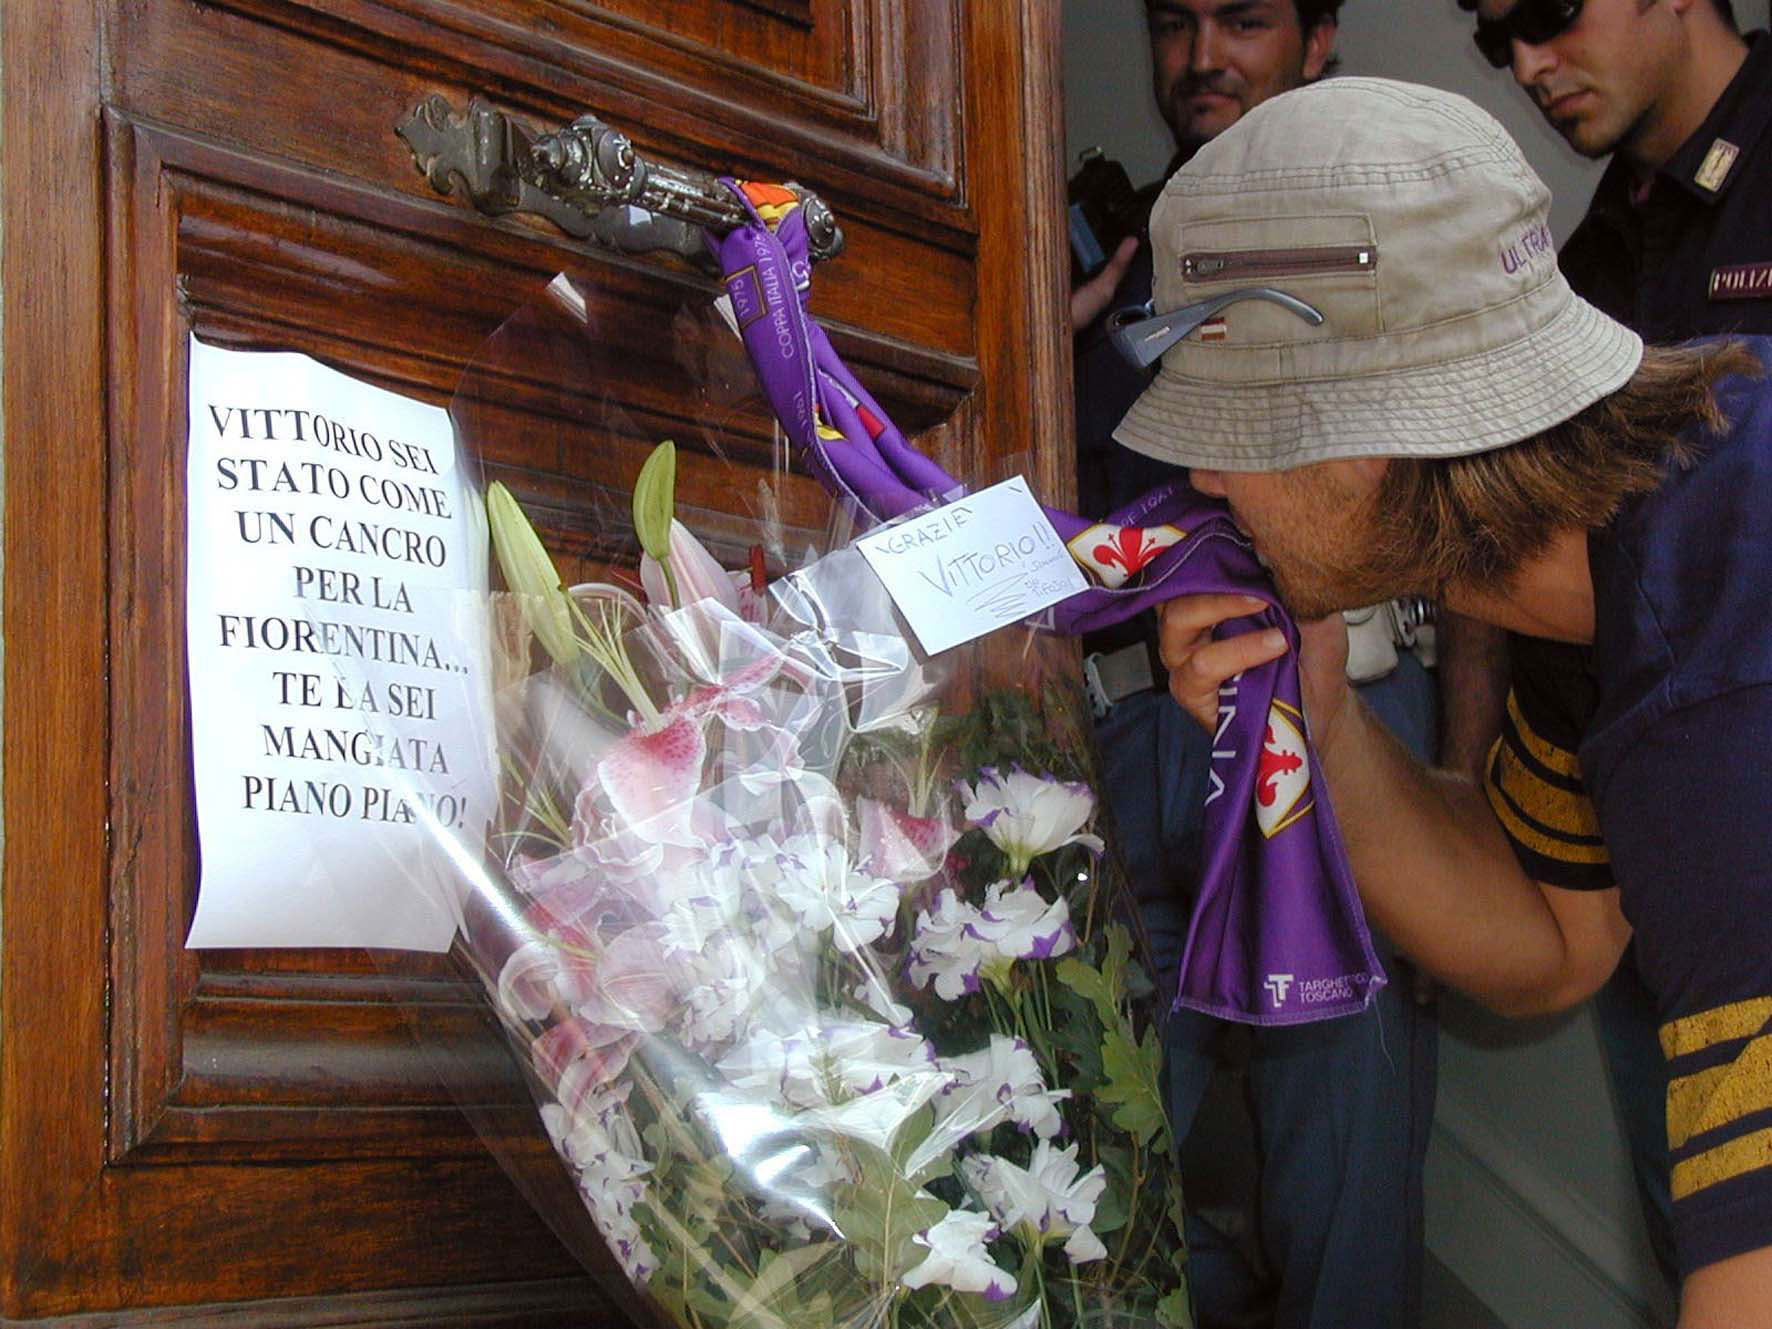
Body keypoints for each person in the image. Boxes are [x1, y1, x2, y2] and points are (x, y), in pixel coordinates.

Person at [1113, 75, 1772, 1326]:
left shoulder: (1726, 701)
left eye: (1233, 419)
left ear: (1368, 440)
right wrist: (1320, 713)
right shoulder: (1623, 547)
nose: (1200, 470)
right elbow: (1544, 945)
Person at [1071, 6, 1437, 1326]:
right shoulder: (1112, 248)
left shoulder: (1392, 217)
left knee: (1345, 1132)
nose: (1202, 53)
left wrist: (1456, 755)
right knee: (1089, 1140)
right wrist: (1043, 332)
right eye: (1176, 23)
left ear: (1320, 37)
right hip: (1128, 736)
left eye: (1245, 18)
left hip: (1330, 707)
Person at [1442, 0, 1772, 1287]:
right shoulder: (1572, 274)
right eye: (1491, 37)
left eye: (1542, 11)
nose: (1525, 62)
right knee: (1700, 1245)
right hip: (1637, 853)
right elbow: (1518, 583)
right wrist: (1469, 785)